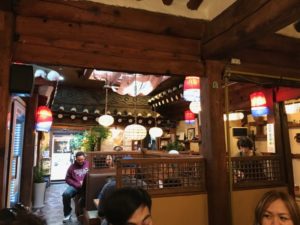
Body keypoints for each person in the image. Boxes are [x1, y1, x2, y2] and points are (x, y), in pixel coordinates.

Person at [97, 156, 147, 224]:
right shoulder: (143, 185)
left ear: (118, 170)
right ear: (133, 171)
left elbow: (101, 211)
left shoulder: (109, 186)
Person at [62, 151, 89, 223]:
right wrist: (76, 184)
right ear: (76, 159)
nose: (80, 161)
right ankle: (67, 214)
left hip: (87, 186)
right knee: (66, 194)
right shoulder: (72, 167)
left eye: (82, 159)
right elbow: (67, 179)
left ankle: (85, 213)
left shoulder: (88, 164)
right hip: (76, 186)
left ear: (84, 158)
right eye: (79, 160)